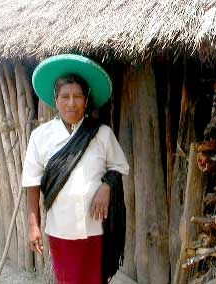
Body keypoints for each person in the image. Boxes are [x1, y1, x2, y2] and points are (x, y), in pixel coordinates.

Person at [22, 54, 129, 284]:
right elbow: (31, 183)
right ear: (55, 99)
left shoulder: (101, 134)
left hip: (97, 230)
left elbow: (119, 166)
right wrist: (33, 225)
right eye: (65, 97)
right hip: (61, 230)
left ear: (86, 99)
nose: (71, 103)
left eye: (77, 96)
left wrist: (106, 187)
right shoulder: (40, 137)